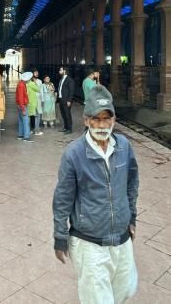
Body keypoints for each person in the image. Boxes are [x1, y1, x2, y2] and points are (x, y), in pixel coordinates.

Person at [53, 85, 139, 304]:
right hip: (89, 241)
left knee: (126, 289)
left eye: (106, 119)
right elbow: (62, 198)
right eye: (96, 119)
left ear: (114, 120)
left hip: (121, 237)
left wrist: (132, 217)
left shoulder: (124, 147)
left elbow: (131, 182)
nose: (102, 125)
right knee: (99, 300)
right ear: (86, 121)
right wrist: (60, 236)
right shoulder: (74, 153)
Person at [16, 72, 34, 143]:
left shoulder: (21, 84)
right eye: (29, 79)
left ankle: (20, 135)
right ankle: (26, 137)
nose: (29, 80)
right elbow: (21, 97)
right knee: (26, 121)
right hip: (22, 105)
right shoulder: (21, 85)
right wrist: (23, 108)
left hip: (20, 104)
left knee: (21, 120)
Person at [57, 67, 75, 134]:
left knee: (67, 115)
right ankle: (65, 127)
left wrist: (69, 100)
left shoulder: (69, 80)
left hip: (66, 100)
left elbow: (71, 91)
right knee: (63, 114)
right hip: (61, 99)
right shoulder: (62, 79)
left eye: (60, 70)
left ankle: (70, 129)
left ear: (64, 71)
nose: (59, 71)